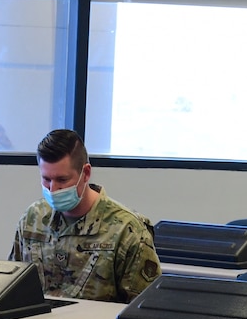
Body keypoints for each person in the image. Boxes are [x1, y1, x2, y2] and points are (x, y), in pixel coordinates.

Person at [9, 128, 161, 302]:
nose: (53, 189)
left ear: (86, 173)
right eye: (46, 179)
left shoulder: (127, 230)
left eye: (62, 180)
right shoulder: (32, 218)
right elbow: (14, 288)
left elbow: (143, 308)